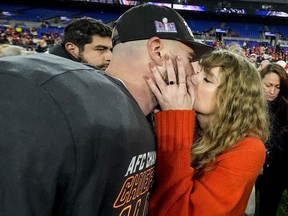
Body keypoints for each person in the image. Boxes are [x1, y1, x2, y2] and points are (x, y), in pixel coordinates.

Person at [0, 4, 213, 215]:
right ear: (157, 51)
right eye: (189, 58)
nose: (192, 73)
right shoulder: (61, 98)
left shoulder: (142, 114)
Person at [146, 49, 269, 215]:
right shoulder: (194, 127)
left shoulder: (249, 149)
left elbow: (180, 211)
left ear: (230, 99)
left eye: (206, 79)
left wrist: (175, 119)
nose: (193, 79)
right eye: (198, 72)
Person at [256, 63, 288, 216]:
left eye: (277, 87)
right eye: (268, 85)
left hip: (276, 172)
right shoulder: (248, 104)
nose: (272, 91)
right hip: (251, 166)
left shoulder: (285, 108)